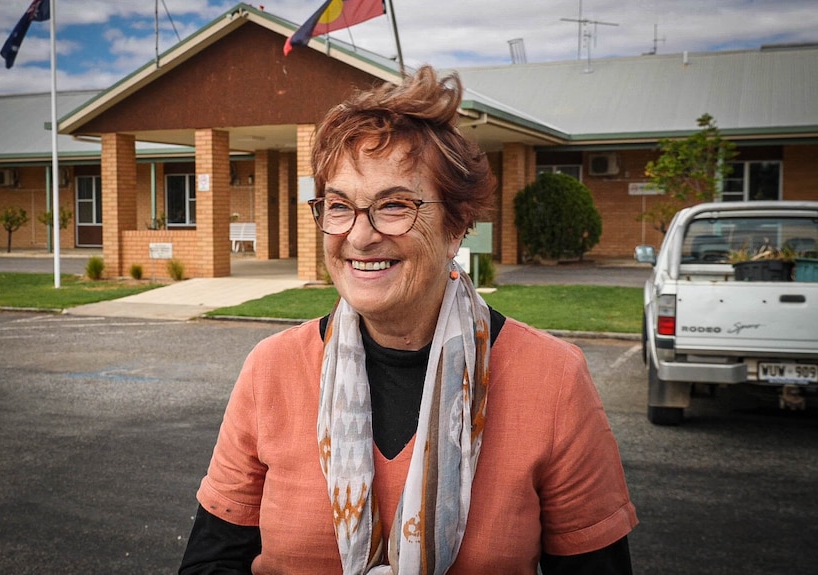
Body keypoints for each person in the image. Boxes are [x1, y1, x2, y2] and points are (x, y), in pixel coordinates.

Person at [180, 65, 638, 575]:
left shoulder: (551, 379)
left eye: (393, 205)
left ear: (457, 225)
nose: (359, 236)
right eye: (339, 206)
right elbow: (209, 564)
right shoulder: (272, 370)